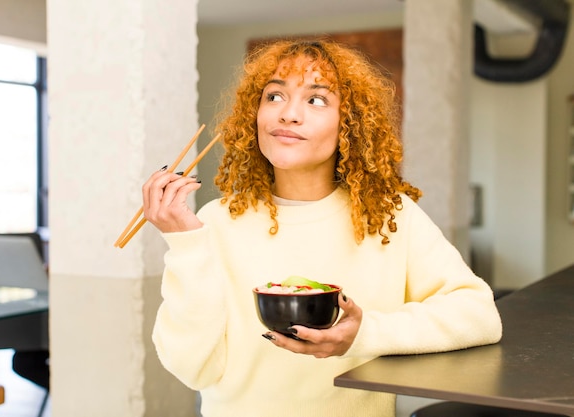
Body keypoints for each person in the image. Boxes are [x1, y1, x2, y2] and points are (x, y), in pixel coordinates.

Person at [142, 39, 502, 417]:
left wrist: (364, 334)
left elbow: (479, 316)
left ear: (350, 124)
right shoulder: (214, 222)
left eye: (316, 100)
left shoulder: (389, 216)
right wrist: (185, 244)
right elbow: (191, 368)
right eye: (274, 96)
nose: (288, 114)